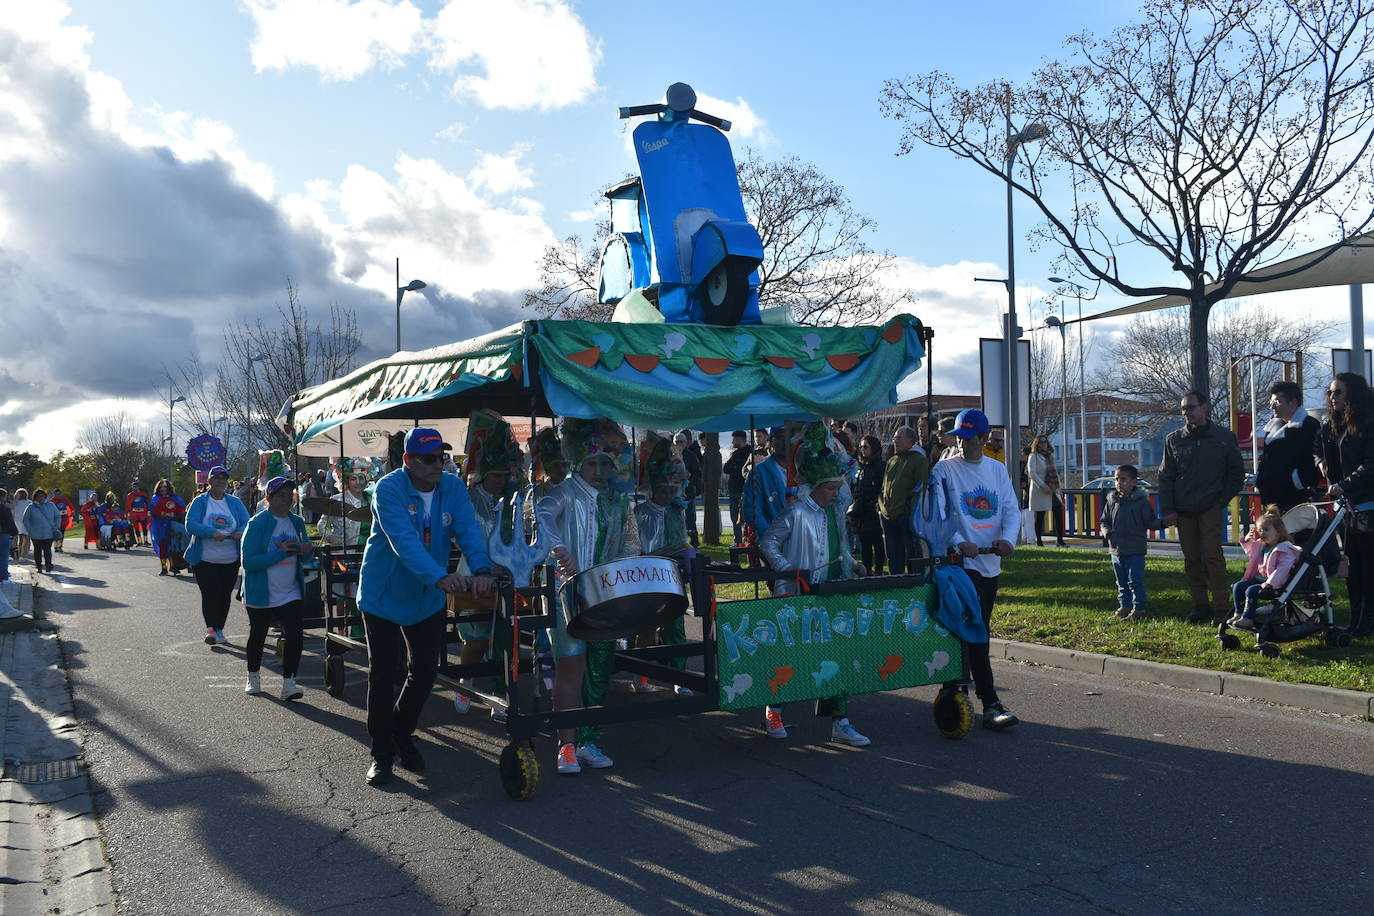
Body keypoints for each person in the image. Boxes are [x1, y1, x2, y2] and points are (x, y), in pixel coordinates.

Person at [357, 427, 494, 787]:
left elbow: (468, 531)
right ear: (408, 461)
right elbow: (403, 542)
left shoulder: (453, 487)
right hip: (384, 595)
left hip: (427, 596)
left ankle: (401, 733)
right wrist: (440, 576)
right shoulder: (388, 489)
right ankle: (381, 754)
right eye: (428, 458)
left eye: (442, 457)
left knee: (426, 671)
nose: (437, 464)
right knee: (384, 675)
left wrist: (480, 567)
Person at [758, 421, 871, 746]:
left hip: (830, 595)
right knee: (789, 656)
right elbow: (768, 543)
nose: (837, 493)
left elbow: (840, 553)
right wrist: (788, 569)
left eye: (838, 488)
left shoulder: (834, 516)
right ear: (817, 486)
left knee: (836, 655)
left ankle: (840, 721)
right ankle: (773, 709)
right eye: (832, 488)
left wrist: (854, 566)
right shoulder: (795, 513)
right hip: (797, 596)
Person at [537, 417, 639, 775]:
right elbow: (544, 515)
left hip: (605, 595)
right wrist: (559, 546)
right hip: (567, 595)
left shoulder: (618, 501)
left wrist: (624, 580)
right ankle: (566, 745)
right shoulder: (564, 491)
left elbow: (629, 544)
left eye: (606, 463)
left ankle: (589, 741)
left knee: (599, 670)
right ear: (580, 461)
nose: (600, 470)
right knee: (571, 667)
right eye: (593, 463)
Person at [929, 408, 1021, 730]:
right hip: (959, 564)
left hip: (989, 562)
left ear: (983, 438)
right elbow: (938, 514)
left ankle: (953, 686)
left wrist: (1008, 539)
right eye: (958, 438)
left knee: (976, 630)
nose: (962, 444)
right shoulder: (944, 470)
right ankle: (989, 702)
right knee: (975, 630)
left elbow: (1010, 509)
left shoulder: (997, 471)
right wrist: (957, 541)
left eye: (968, 438)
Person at [452, 411, 522, 718]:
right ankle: (465, 682)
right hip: (474, 576)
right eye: (496, 475)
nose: (501, 481)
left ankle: (501, 692)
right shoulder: (467, 499)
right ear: (483, 474)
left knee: (505, 638)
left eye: (504, 476)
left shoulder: (511, 501)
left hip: (506, 578)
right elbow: (460, 537)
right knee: (477, 635)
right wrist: (485, 562)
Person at [1159, 391, 1246, 624]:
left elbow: (1237, 473)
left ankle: (1222, 607)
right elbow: (1165, 477)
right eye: (1184, 408)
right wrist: (1168, 509)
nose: (1187, 412)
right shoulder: (1174, 439)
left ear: (1204, 407)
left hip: (1211, 506)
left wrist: (1221, 500)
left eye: (1191, 407)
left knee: (1213, 557)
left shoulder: (1224, 437)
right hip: (1184, 509)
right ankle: (1199, 605)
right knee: (1191, 559)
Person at [630, 431, 693, 695]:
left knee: (675, 624)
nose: (667, 496)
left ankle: (679, 676)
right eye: (663, 491)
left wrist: (687, 554)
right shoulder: (640, 513)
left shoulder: (676, 513)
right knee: (645, 626)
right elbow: (634, 545)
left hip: (671, 574)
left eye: (671, 490)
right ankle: (642, 675)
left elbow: (681, 541)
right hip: (646, 575)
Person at [240, 476, 313, 700]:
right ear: (268, 498)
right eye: (280, 496)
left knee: (295, 635)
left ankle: (289, 683)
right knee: (258, 635)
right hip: (261, 591)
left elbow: (306, 557)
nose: (286, 500)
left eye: (290, 496)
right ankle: (253, 677)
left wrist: (305, 550)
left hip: (290, 590)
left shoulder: (297, 521)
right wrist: (283, 552)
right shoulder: (257, 523)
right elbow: (249, 562)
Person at [1317, 372, 1374, 637]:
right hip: (1347, 509)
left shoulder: (1368, 422)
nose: (1332, 397)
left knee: (1368, 568)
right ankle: (1355, 620)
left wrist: (1345, 484)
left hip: (1368, 506)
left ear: (1352, 394)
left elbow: (1371, 464)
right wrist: (1321, 462)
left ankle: (1367, 622)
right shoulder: (1332, 423)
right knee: (1352, 568)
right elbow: (1317, 446)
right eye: (1330, 392)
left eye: (1337, 392)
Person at [184, 466, 250, 646]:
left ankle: (220, 628)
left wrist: (240, 532)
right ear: (210, 481)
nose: (221, 481)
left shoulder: (235, 502)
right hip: (205, 559)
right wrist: (211, 532)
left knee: (224, 595)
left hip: (230, 559)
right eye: (217, 478)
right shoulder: (200, 502)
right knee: (210, 594)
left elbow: (248, 522)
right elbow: (190, 525)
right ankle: (211, 629)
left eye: (224, 478)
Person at [1227, 506, 1301, 631]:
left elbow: (1283, 569)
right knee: (1238, 586)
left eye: (1266, 529)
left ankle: (1248, 618)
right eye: (1260, 530)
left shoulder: (1285, 549)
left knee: (1251, 590)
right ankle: (1238, 614)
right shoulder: (1262, 546)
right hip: (1261, 579)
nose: (1262, 533)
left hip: (1276, 583)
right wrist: (1248, 540)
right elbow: (1251, 553)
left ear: (1278, 532)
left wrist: (1270, 583)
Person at [1255, 380, 1320, 512]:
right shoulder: (1271, 429)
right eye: (1271, 403)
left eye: (1277, 402)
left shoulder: (1309, 426)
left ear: (1293, 403)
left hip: (1296, 499)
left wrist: (1298, 481)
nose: (1273, 407)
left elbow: (1314, 458)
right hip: (1271, 499)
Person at [1100, 464, 1153, 620]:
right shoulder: (1111, 501)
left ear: (1133, 481)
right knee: (1121, 581)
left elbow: (1149, 521)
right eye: (1116, 479)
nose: (1118, 482)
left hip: (1135, 549)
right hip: (1116, 549)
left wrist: (1164, 522)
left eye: (1123, 479)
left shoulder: (1141, 502)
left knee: (1135, 581)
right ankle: (1125, 605)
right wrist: (1107, 533)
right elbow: (1104, 521)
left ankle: (1139, 608)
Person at [878, 425, 928, 575]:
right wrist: (880, 506)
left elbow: (921, 488)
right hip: (887, 515)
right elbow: (884, 486)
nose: (895, 441)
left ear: (911, 440)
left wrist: (909, 512)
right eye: (895, 438)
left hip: (906, 517)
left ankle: (914, 584)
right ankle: (896, 584)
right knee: (893, 556)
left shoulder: (919, 460)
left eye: (899, 438)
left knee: (912, 554)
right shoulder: (892, 461)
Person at [741, 427, 789, 546]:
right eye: (780, 438)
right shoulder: (759, 473)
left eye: (789, 437)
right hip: (774, 545)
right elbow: (751, 511)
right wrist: (771, 536)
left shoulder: (804, 470)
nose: (785, 442)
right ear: (772, 441)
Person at [851, 434, 887, 575]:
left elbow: (883, 488)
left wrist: (876, 504)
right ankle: (866, 571)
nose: (862, 450)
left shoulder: (880, 466)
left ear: (874, 448)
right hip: (862, 513)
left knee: (878, 544)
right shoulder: (862, 467)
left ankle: (878, 570)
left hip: (875, 512)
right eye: (861, 447)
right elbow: (857, 489)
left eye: (865, 447)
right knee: (865, 544)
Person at [1027, 435, 1066, 547]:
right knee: (1040, 515)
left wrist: (1058, 488)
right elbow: (1032, 473)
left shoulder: (1050, 456)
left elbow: (1055, 473)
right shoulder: (1033, 456)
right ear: (1036, 444)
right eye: (1041, 442)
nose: (1043, 444)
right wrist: (1042, 485)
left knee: (1058, 512)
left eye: (1045, 442)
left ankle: (1060, 540)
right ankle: (1039, 541)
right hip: (1040, 490)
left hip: (1052, 489)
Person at [149, 479, 187, 576]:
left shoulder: (175, 498)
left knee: (173, 546)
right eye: (161, 486)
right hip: (160, 525)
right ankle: (164, 568)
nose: (163, 489)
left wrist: (174, 514)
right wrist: (163, 514)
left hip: (173, 525)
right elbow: (153, 510)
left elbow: (182, 510)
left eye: (165, 486)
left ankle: (174, 566)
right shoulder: (155, 498)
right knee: (163, 546)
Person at [723, 430, 752, 545]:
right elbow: (726, 468)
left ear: (740, 439)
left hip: (743, 489)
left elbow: (743, 470)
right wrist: (735, 467)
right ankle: (737, 540)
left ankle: (747, 539)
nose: (732, 442)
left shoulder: (749, 452)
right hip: (733, 489)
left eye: (734, 439)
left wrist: (735, 467)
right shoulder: (735, 453)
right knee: (734, 516)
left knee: (744, 516)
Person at [23, 488, 61, 573]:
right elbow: (25, 520)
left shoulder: (51, 505)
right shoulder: (31, 507)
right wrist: (30, 530)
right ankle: (39, 566)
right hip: (35, 534)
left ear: (45, 497)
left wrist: (56, 526)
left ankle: (48, 565)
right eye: (38, 496)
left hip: (48, 532)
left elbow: (57, 516)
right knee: (37, 551)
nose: (40, 498)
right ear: (35, 497)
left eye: (42, 496)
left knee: (47, 550)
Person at [677, 430, 703, 547]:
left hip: (688, 493)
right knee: (677, 519)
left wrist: (689, 480)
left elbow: (697, 473)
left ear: (685, 443)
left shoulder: (691, 455)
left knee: (690, 518)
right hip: (674, 493)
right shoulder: (671, 455)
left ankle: (694, 541)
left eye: (681, 442)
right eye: (677, 442)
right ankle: (678, 541)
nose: (679, 444)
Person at [125, 481, 151, 546]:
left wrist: (149, 511)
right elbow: (128, 505)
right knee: (136, 528)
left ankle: (146, 540)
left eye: (135, 487)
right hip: (134, 513)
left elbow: (148, 502)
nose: (134, 488)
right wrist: (128, 513)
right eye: (133, 487)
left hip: (142, 513)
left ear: (138, 487)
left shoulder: (143, 494)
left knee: (144, 527)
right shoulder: (130, 495)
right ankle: (139, 541)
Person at [49, 488, 73, 553]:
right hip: (55, 520)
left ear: (61, 494)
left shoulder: (64, 499)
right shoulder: (52, 500)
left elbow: (70, 505)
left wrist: (71, 511)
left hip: (64, 519)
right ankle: (56, 546)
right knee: (56, 534)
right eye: (56, 494)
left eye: (59, 494)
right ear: (54, 494)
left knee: (62, 534)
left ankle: (60, 546)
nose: (57, 495)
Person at [11, 488, 32, 564]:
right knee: (26, 539)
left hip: (17, 522)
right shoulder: (29, 503)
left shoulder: (15, 503)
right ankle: (23, 555)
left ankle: (19, 554)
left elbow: (12, 512)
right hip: (26, 522)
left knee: (20, 539)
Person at [0, 489, 16, 582]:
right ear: (4, 496)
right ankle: (4, 577)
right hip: (3, 534)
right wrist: (14, 533)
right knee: (3, 556)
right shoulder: (4, 508)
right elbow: (10, 522)